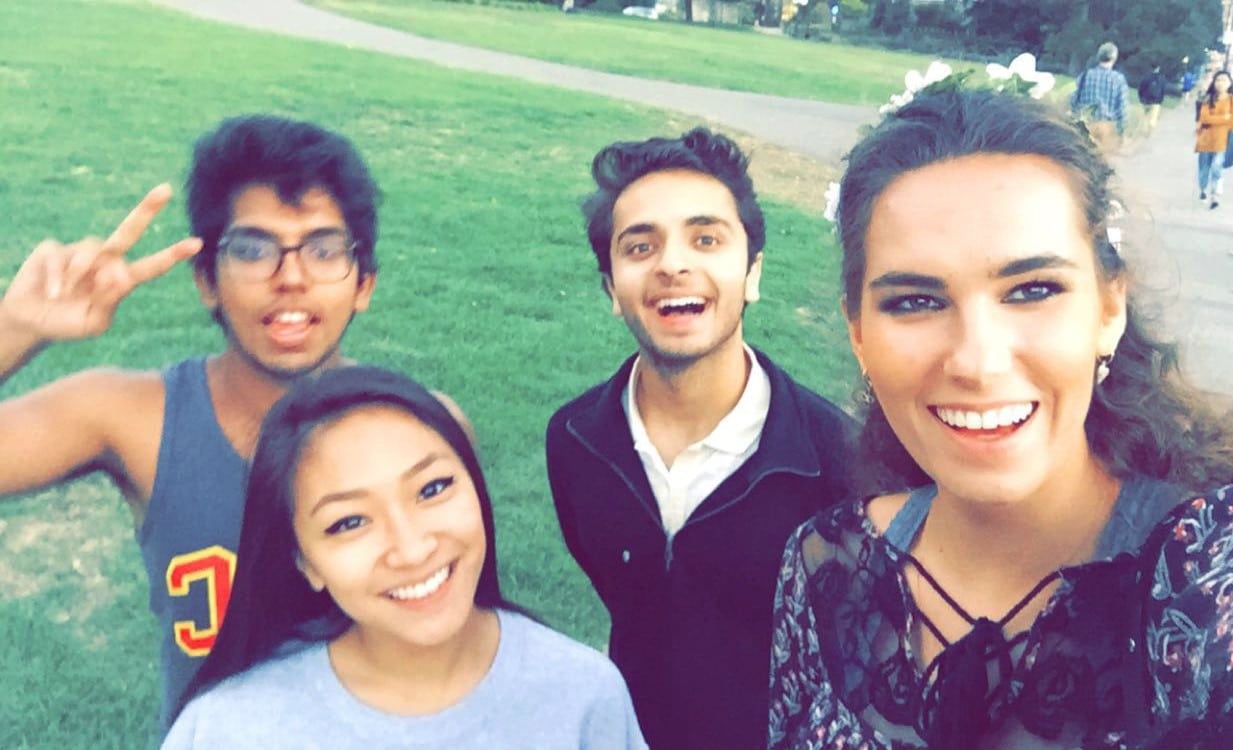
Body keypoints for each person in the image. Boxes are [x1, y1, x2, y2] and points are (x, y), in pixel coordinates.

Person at [767, 89, 1233, 749]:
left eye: (1032, 291)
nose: (977, 361)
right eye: (916, 301)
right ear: (859, 334)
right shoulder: (825, 564)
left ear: (1108, 310)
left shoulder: (1229, 582)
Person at [0, 115, 456, 734]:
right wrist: (15, 330)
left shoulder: (426, 435)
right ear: (206, 280)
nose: (290, 277)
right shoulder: (132, 417)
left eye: (324, 249)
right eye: (252, 249)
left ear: (364, 283)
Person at [547, 128, 859, 750]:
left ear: (752, 273)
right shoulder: (577, 441)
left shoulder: (838, 464)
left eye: (706, 239)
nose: (672, 264)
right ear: (613, 288)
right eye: (640, 246)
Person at [164, 366, 647, 748]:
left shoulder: (583, 696)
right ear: (305, 561)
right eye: (349, 522)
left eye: (432, 488)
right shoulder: (229, 732)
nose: (412, 548)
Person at [1069, 42, 1129, 153]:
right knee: (1103, 162)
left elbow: (1073, 99)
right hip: (1107, 127)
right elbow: (1122, 109)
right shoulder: (1118, 79)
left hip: (1086, 125)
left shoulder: (1086, 75)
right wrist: (1122, 133)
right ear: (1113, 58)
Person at [1196, 71, 1233, 210]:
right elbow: (1204, 118)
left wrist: (1219, 119)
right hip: (1206, 139)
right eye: (1218, 80)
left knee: (1216, 167)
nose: (1221, 83)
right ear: (1214, 83)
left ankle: (1214, 195)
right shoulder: (1208, 99)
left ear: (1230, 83)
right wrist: (1224, 118)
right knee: (1204, 169)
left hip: (1222, 139)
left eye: (1224, 80)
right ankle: (1203, 190)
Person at [1137, 64, 1167, 134]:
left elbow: (1141, 89)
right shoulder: (1162, 78)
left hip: (1145, 101)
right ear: (1158, 68)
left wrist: (1141, 97)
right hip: (1156, 101)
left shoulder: (1146, 77)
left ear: (1151, 68)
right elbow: (1163, 90)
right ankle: (1151, 127)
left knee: (1145, 115)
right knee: (1153, 117)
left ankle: (1143, 129)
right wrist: (1161, 100)